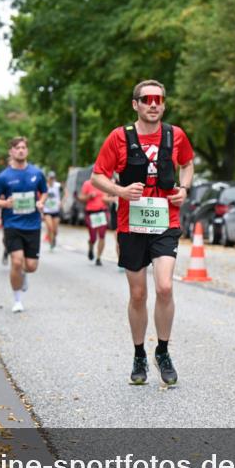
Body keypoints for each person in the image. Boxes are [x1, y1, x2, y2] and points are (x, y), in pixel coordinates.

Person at [92, 80, 194, 387]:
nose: (153, 104)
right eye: (146, 99)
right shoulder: (119, 137)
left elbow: (187, 163)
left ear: (163, 104)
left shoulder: (175, 135)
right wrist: (121, 190)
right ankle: (139, 354)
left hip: (165, 220)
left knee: (164, 287)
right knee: (138, 294)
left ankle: (162, 351)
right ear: (135, 104)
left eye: (159, 99)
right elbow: (98, 177)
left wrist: (184, 189)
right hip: (131, 224)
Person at [0, 137, 47, 313]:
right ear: (11, 152)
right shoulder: (4, 176)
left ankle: (23, 275)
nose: (21, 150)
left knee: (31, 266)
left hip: (33, 224)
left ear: (27, 151)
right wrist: (5, 204)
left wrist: (41, 202)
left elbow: (43, 192)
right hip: (12, 224)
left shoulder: (36, 173)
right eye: (17, 148)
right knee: (17, 261)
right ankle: (17, 300)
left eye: (23, 147)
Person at [79, 176, 109, 265]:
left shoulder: (105, 183)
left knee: (102, 235)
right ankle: (91, 246)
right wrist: (89, 196)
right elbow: (81, 198)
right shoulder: (87, 183)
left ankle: (99, 258)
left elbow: (107, 198)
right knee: (93, 237)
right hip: (91, 213)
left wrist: (108, 200)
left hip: (102, 212)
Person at [42, 171, 62, 251]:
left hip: (55, 210)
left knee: (55, 230)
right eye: (50, 178)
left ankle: (54, 238)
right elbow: (40, 194)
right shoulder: (44, 186)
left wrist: (61, 201)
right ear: (48, 178)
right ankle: (51, 243)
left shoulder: (58, 186)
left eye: (53, 178)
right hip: (47, 210)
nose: (52, 180)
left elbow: (66, 193)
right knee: (50, 228)